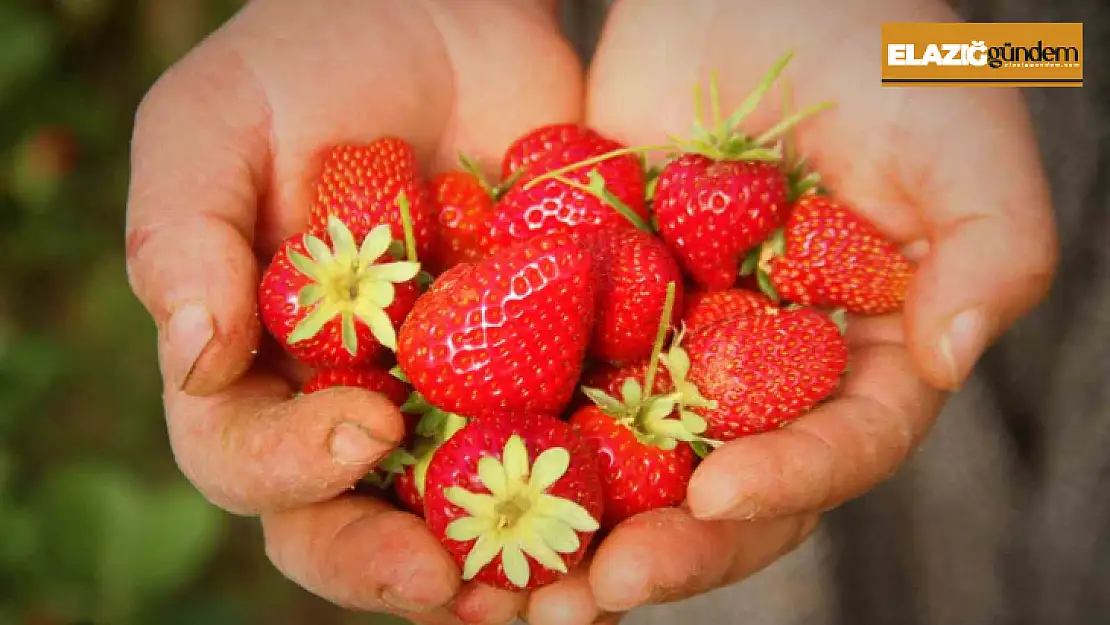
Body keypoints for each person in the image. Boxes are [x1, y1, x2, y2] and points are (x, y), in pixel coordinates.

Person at [124, 0, 1062, 623]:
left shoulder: (1031, 51)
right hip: (705, 454)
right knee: (721, 552)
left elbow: (1059, 44)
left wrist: (977, 53)